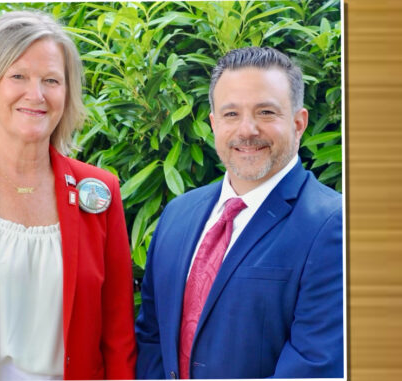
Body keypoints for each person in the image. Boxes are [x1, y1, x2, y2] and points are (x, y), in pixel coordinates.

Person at [0, 10, 136, 381]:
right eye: (18, 76)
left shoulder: (99, 191)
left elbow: (118, 336)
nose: (36, 95)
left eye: (51, 80)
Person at [135, 47, 343, 379]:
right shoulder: (177, 214)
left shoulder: (333, 226)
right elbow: (151, 340)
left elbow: (314, 366)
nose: (247, 130)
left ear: (299, 122)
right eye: (231, 114)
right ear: (214, 124)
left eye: (265, 112)